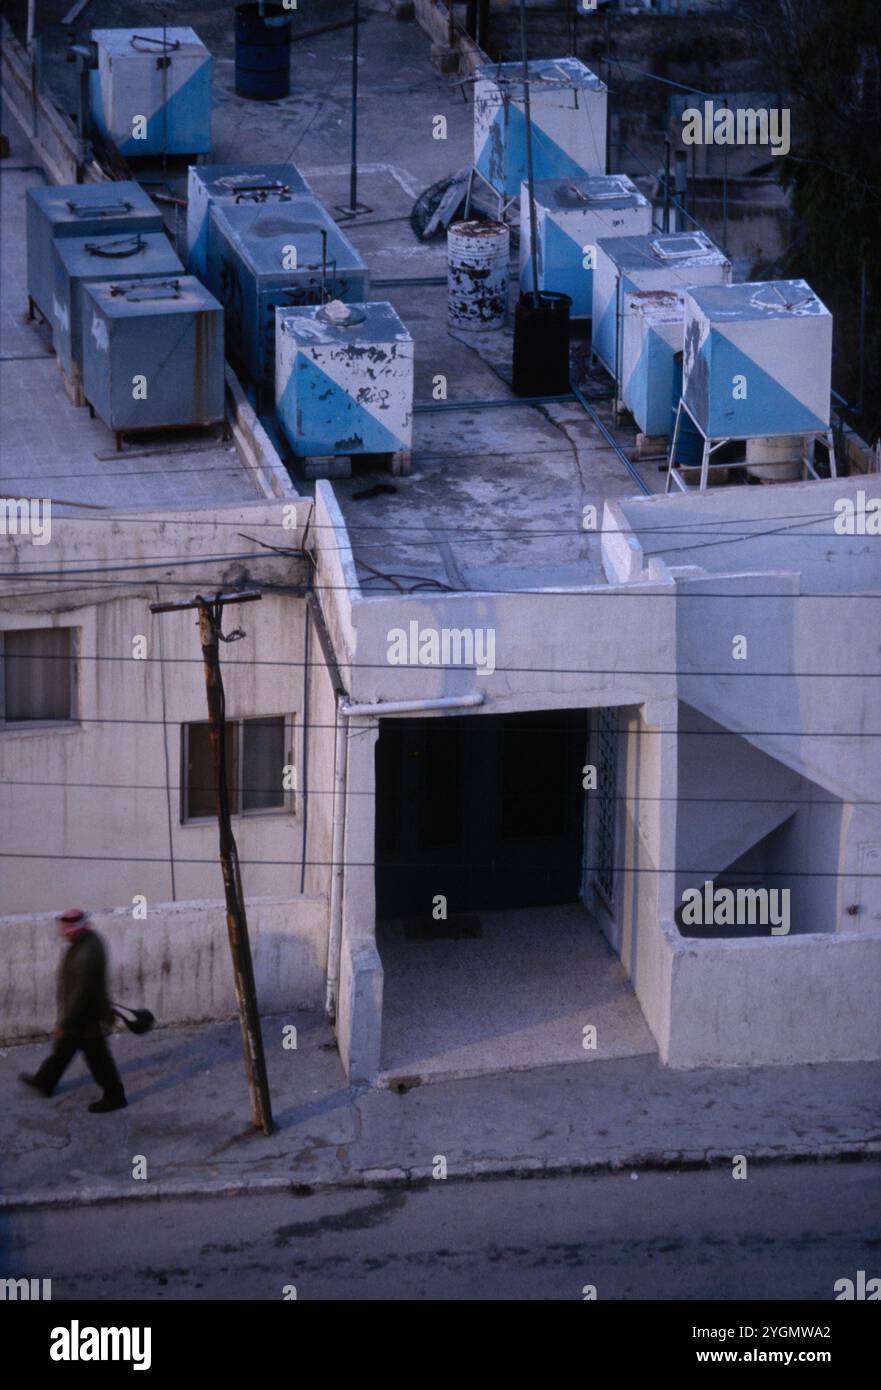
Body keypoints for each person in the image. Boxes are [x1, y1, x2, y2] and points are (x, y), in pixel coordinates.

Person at [20, 908, 127, 1113]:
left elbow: (80, 993)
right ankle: (45, 1082)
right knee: (64, 1050)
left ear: (74, 928)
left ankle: (115, 1096)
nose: (63, 933)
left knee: (98, 1059)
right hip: (83, 1013)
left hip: (85, 1016)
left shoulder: (85, 952)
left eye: (66, 929)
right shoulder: (85, 941)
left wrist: (64, 1023)